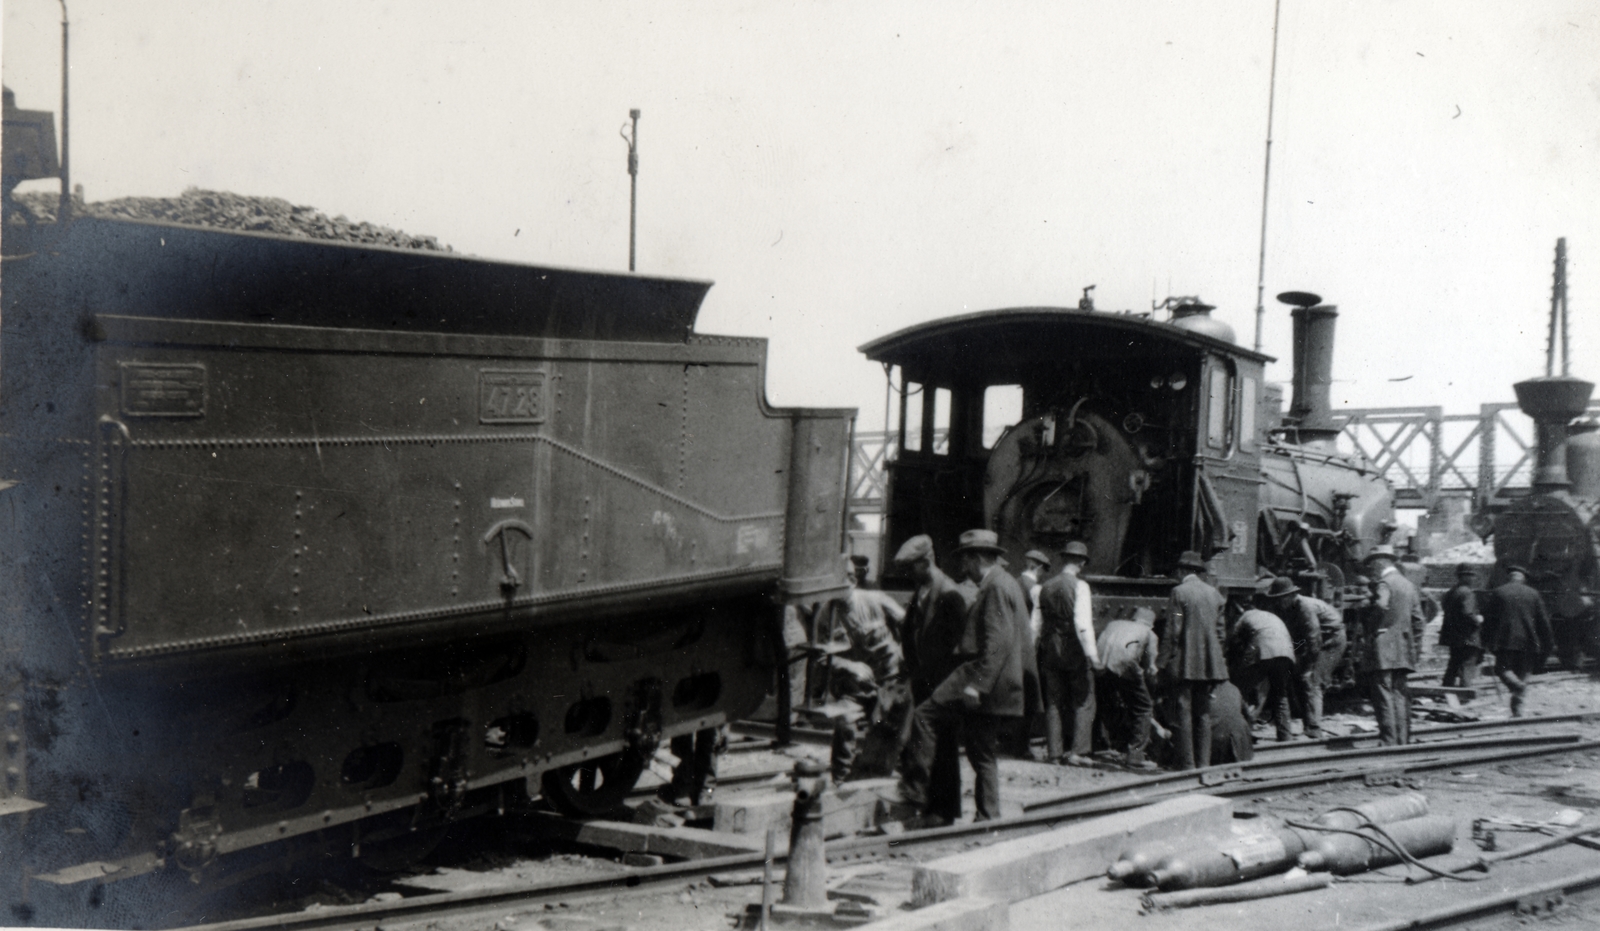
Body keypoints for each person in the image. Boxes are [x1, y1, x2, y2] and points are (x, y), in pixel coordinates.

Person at [900, 529, 1029, 823]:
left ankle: (914, 790)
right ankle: (987, 815)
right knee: (981, 752)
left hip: (983, 679)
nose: (962, 567)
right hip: (992, 681)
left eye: (965, 560)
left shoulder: (995, 586)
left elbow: (997, 643)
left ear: (975, 558)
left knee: (925, 715)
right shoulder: (1002, 583)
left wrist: (977, 687)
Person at [894, 534, 971, 824]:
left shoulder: (949, 596)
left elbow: (952, 648)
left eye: (911, 567)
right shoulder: (923, 590)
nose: (907, 574)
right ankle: (931, 808)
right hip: (924, 678)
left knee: (944, 746)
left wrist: (925, 678)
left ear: (926, 562)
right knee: (930, 744)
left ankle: (942, 810)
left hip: (941, 682)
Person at [822, 557, 907, 782]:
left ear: (852, 580)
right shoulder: (826, 614)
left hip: (889, 682)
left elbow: (910, 626)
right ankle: (839, 781)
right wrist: (849, 665)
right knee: (844, 724)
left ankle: (883, 779)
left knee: (885, 730)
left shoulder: (875, 600)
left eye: (843, 580)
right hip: (854, 688)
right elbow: (821, 657)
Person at [1157, 550, 1229, 770]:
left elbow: (1173, 630)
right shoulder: (1215, 594)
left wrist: (1161, 662)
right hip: (1210, 664)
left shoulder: (1179, 593)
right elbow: (1221, 633)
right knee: (1204, 713)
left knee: (1183, 710)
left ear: (1182, 571)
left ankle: (1188, 765)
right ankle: (1204, 764)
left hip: (1186, 662)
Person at [1037, 541, 1101, 765]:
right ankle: (1078, 752)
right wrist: (1092, 655)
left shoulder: (1045, 586)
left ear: (1064, 560)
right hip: (1073, 648)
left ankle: (1054, 753)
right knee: (1084, 699)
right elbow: (1082, 624)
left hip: (1050, 649)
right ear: (1081, 562)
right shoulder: (1080, 586)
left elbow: (1036, 625)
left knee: (1053, 701)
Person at [1359, 545, 1425, 745]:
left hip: (1382, 648)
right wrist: (1415, 647)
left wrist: (1370, 624)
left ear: (1380, 563)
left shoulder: (1384, 584)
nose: (1371, 572)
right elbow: (1419, 621)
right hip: (1403, 649)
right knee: (1400, 695)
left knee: (1383, 695)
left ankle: (1388, 742)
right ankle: (1402, 741)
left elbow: (1380, 606)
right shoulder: (1408, 585)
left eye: (1372, 567)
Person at [1265, 576, 1338, 739]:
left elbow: (1314, 637)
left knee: (1311, 679)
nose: (1278, 603)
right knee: (1298, 675)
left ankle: (1314, 727)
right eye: (1276, 599)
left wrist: (1309, 666)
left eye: (1281, 599)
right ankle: (1307, 723)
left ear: (1290, 596)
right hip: (1309, 639)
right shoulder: (1286, 607)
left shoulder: (1304, 607)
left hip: (1331, 638)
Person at [1483, 565, 1553, 717]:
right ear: (1523, 579)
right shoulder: (1533, 594)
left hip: (1505, 641)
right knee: (1524, 673)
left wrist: (1484, 641)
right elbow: (1543, 622)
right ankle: (1518, 710)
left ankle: (1517, 688)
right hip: (1528, 641)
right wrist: (1548, 642)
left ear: (1509, 577)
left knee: (1502, 670)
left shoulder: (1498, 592)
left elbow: (1489, 620)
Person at [1096, 607, 1159, 769]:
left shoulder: (1114, 623)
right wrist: (1147, 673)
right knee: (1144, 708)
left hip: (1102, 666)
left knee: (1106, 702)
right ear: (1150, 624)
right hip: (1125, 666)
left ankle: (1103, 745)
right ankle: (1135, 756)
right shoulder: (1149, 633)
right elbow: (1151, 666)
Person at [1230, 600, 1297, 742]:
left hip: (1263, 652)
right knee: (1281, 695)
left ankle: (1245, 732)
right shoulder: (1269, 616)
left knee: (1241, 691)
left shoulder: (1244, 616)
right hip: (1286, 653)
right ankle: (1285, 735)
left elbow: (1234, 639)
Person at [1011, 549, 1052, 759]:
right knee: (1030, 697)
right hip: (1027, 649)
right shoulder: (1035, 589)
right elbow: (1037, 624)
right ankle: (1020, 747)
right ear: (1037, 567)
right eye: (1044, 570)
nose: (1044, 574)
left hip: (1010, 646)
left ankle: (1008, 741)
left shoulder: (1013, 583)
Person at [1439, 564, 1485, 688]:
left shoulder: (1451, 591)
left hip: (1453, 636)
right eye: (1471, 576)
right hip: (1468, 636)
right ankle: (1464, 693)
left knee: (1453, 664)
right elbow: (1467, 612)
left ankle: (1446, 689)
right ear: (1465, 577)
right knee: (1468, 664)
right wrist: (1478, 620)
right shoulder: (1467, 593)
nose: (1473, 579)